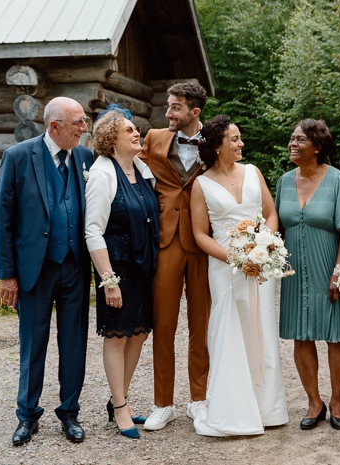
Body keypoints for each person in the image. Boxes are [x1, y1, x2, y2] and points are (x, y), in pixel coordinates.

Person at [0, 96, 94, 445]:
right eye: (79, 122)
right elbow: (2, 220)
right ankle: (27, 416)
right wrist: (6, 274)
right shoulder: (19, 157)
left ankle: (69, 412)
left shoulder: (84, 156)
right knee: (33, 345)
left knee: (74, 342)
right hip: (35, 269)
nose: (85, 128)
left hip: (75, 267)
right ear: (55, 126)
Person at [189, 114, 288, 437]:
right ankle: (233, 409)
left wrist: (265, 244)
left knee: (261, 327)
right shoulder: (201, 184)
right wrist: (236, 257)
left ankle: (267, 408)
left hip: (261, 265)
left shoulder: (253, 173)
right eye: (234, 139)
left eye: (240, 137)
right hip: (226, 267)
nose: (241, 143)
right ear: (217, 147)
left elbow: (271, 213)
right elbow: (201, 234)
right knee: (229, 329)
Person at [275, 119, 340, 431]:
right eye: (291, 138)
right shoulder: (284, 181)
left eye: (299, 140)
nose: (292, 144)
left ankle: (337, 401)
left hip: (331, 266)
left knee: (336, 336)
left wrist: (339, 272)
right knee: (301, 334)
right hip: (295, 271)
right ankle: (314, 401)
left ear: (318, 146)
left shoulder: (338, 179)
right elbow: (277, 226)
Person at [138, 82, 212, 430]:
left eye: (176, 108)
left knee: (202, 324)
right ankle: (162, 403)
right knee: (163, 324)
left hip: (202, 242)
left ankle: (199, 399)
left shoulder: (215, 141)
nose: (168, 113)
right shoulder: (152, 138)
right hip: (165, 240)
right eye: (168, 106)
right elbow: (129, 174)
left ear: (195, 112)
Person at [85, 107, 160, 440]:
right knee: (117, 336)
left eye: (136, 130)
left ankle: (121, 400)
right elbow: (92, 231)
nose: (136, 134)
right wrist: (108, 281)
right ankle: (119, 408)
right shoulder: (102, 174)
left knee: (140, 332)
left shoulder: (142, 170)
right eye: (129, 130)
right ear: (110, 139)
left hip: (143, 266)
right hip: (116, 269)